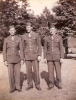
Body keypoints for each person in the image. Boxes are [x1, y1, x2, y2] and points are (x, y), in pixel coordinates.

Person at [3, 25, 24, 93]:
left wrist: (22, 59)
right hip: (9, 60)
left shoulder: (18, 39)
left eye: (13, 30)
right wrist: (5, 60)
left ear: (15, 31)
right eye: (11, 30)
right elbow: (4, 51)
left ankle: (18, 87)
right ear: (9, 31)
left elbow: (21, 49)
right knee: (10, 74)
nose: (12, 32)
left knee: (17, 74)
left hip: (17, 59)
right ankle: (12, 88)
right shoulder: (6, 39)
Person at [22, 22, 42, 91]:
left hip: (35, 55)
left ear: (31, 27)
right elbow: (22, 47)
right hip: (27, 56)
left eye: (29, 27)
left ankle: (37, 85)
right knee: (28, 71)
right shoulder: (24, 36)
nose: (27, 28)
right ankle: (30, 85)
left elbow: (39, 46)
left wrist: (39, 55)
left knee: (36, 70)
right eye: (26, 27)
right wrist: (23, 57)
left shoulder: (36, 35)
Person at [44, 26, 64, 90]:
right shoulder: (46, 38)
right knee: (50, 71)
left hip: (57, 57)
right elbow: (45, 48)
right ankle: (51, 84)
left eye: (53, 29)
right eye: (50, 29)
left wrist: (61, 57)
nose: (51, 31)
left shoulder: (59, 37)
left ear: (55, 30)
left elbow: (61, 48)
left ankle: (59, 83)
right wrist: (45, 57)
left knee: (58, 71)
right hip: (49, 57)